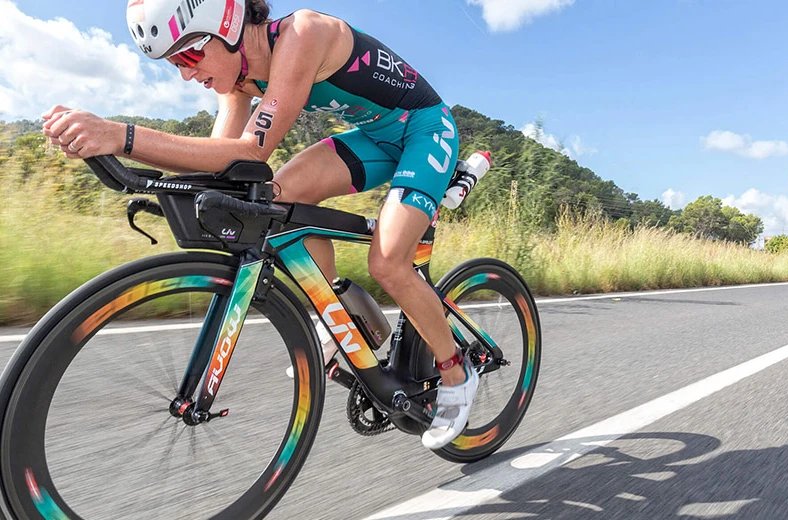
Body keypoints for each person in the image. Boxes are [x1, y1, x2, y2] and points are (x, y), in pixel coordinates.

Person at [41, 0, 477, 450]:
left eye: (188, 55)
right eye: (174, 63)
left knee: (388, 263)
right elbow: (219, 164)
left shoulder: (302, 34)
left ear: (227, 26)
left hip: (426, 129)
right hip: (374, 138)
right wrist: (135, 165)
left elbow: (251, 150)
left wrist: (120, 136)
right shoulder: (237, 77)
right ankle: (342, 316)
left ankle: (456, 373)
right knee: (280, 201)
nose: (186, 74)